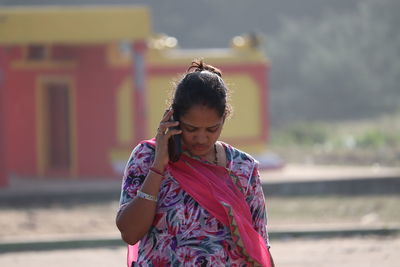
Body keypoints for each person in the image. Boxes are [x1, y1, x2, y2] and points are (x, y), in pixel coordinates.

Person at [116, 60, 274, 267]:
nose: (201, 139)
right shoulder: (146, 157)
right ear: (173, 118)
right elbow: (130, 232)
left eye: (212, 129)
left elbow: (258, 243)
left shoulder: (243, 167)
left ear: (224, 119)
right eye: (191, 129)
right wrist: (159, 166)